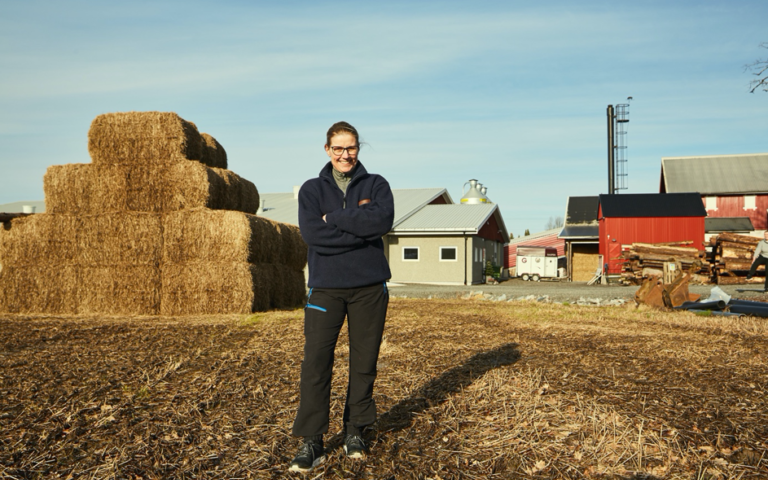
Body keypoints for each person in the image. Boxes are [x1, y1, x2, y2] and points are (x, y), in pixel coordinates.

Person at [289, 121, 394, 473]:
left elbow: (380, 222)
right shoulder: (311, 190)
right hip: (326, 289)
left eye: (350, 148)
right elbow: (314, 236)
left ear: (358, 148)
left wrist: (334, 218)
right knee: (316, 363)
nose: (345, 155)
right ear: (327, 150)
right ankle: (312, 440)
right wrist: (359, 228)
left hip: (369, 288)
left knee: (364, 363)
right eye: (338, 149)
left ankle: (355, 431)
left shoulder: (376, 184)